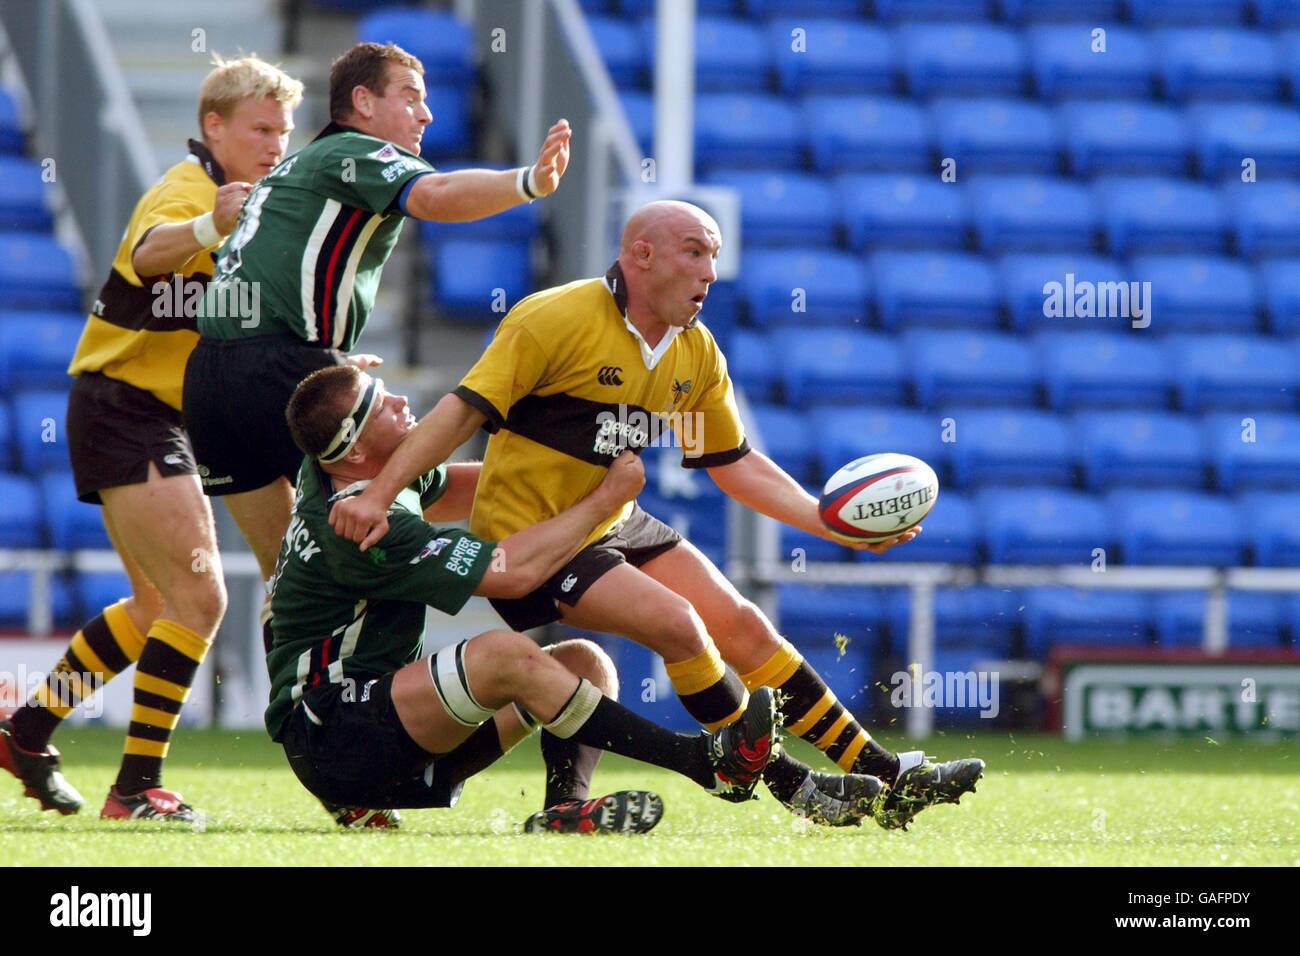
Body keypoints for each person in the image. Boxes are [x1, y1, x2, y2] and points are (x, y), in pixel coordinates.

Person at [329, 200, 985, 830]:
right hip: (532, 541)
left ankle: (886, 776)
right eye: (694, 251)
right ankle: (791, 785)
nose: (709, 271)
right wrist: (382, 492)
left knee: (745, 629)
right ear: (639, 256)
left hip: (612, 521)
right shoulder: (553, 319)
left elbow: (733, 462)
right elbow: (461, 411)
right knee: (679, 624)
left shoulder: (693, 351)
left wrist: (826, 520)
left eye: (715, 256)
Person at [269, 365, 778, 833]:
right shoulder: (363, 527)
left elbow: (475, 489)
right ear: (355, 450)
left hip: (381, 729)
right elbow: (510, 574)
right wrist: (603, 499)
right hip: (333, 735)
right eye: (382, 404)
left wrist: (567, 468)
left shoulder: (357, 474)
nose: (401, 400)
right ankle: (706, 765)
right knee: (501, 654)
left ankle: (565, 808)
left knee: (585, 663)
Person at [0, 56, 303, 822]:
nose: (276, 143)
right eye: (260, 128)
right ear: (214, 126)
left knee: (153, 604)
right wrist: (209, 224)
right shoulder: (189, 190)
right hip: (126, 408)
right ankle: (135, 788)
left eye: (285, 130)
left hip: (148, 413)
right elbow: (147, 253)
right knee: (199, 595)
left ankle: (26, 731)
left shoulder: (252, 206)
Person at [182, 41, 572, 597]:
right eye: (410, 97)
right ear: (362, 102)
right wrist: (527, 182)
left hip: (210, 380)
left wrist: (326, 362)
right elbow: (435, 196)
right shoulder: (356, 151)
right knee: (383, 504)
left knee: (290, 578)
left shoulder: (293, 167)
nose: (427, 113)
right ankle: (545, 498)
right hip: (277, 366)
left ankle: (304, 685)